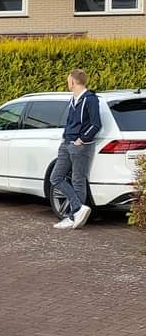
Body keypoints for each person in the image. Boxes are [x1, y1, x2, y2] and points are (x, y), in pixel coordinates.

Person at [51, 69, 99, 230]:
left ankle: (73, 218)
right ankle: (78, 208)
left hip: (80, 146)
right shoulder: (74, 99)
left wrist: (82, 139)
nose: (67, 83)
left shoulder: (90, 99)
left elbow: (96, 124)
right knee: (55, 177)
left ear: (73, 81)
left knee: (78, 180)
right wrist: (66, 137)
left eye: (67, 80)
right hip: (66, 143)